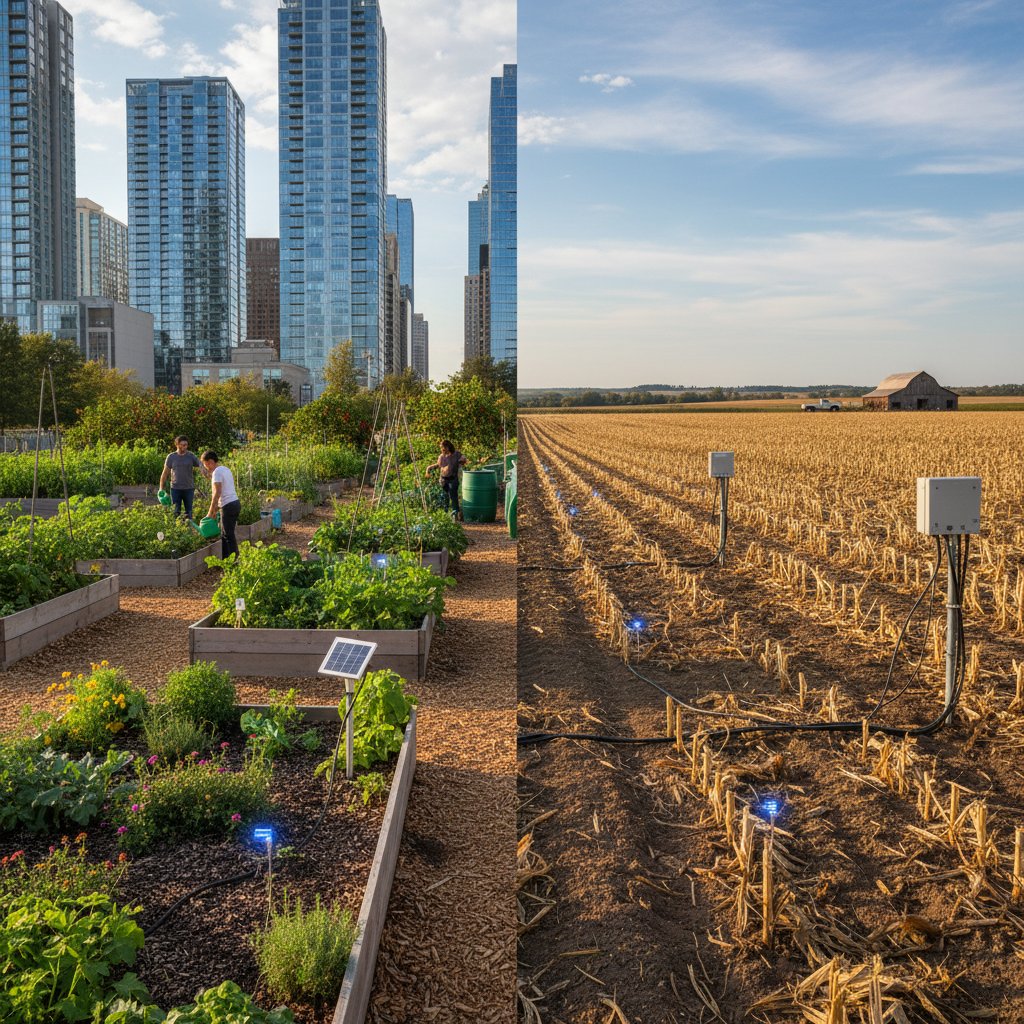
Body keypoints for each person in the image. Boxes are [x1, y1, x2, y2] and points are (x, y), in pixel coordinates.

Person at [200, 450, 241, 559]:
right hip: (235, 503)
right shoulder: (225, 469)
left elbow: (217, 493)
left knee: (227, 535)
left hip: (228, 506)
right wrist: (216, 510)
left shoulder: (216, 473)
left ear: (210, 462)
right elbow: (225, 491)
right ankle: (229, 559)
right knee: (227, 533)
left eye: (205, 464)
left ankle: (232, 561)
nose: (206, 467)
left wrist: (210, 512)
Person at [159, 436, 206, 520]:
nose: (184, 447)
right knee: (176, 512)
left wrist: (202, 468)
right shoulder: (171, 457)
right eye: (182, 445)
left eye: (186, 445)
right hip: (175, 488)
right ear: (177, 445)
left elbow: (200, 463)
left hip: (189, 488)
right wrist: (161, 488)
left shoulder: (191, 456)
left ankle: (189, 531)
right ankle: (178, 531)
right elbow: (165, 473)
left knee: (189, 512)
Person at [425, 439, 468, 519]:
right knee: (445, 496)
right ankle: (445, 514)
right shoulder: (441, 456)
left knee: (453, 495)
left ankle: (456, 513)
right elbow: (438, 465)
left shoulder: (456, 454)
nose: (442, 449)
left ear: (448, 447)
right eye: (441, 448)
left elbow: (464, 459)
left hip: (453, 478)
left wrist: (462, 460)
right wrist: (428, 468)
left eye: (443, 447)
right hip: (444, 479)